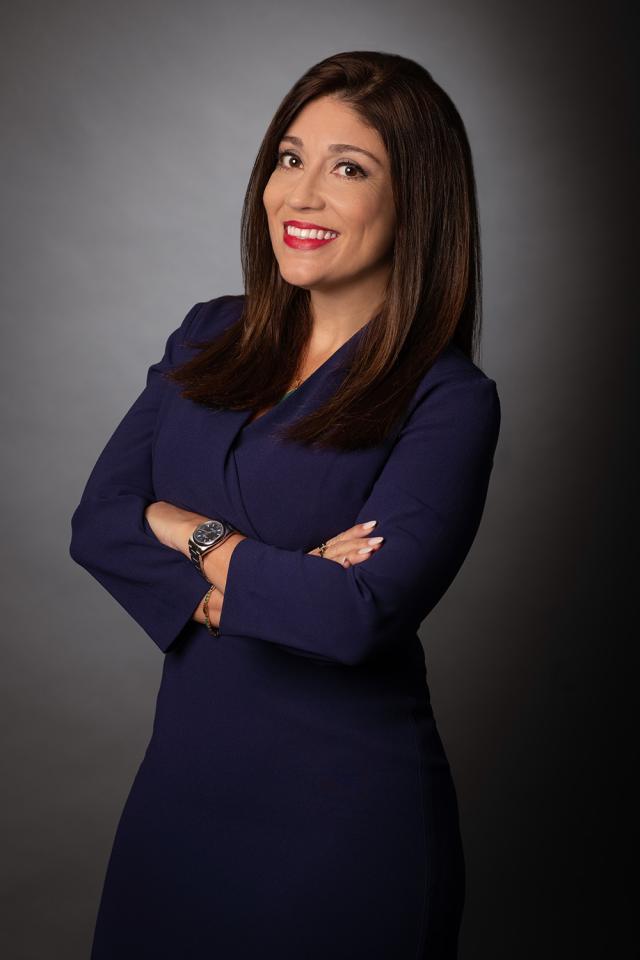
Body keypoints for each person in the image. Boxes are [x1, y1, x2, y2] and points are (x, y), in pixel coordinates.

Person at [69, 50, 501, 960]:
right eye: (289, 157)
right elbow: (100, 520)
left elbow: (354, 615)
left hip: (343, 831)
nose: (300, 195)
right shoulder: (207, 334)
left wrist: (184, 529)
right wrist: (259, 578)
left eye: (349, 168)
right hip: (176, 809)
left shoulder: (448, 399)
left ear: (416, 201)